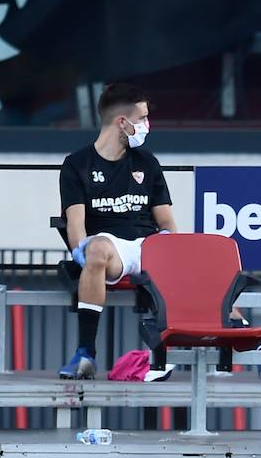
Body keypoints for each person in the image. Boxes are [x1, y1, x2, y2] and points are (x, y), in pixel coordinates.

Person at [56, 83, 174, 379]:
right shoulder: (77, 165)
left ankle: (241, 333)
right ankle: (86, 353)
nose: (147, 126)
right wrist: (82, 252)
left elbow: (168, 223)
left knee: (211, 252)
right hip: (112, 249)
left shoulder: (147, 161)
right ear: (122, 122)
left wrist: (174, 248)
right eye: (142, 119)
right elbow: (76, 229)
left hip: (150, 247)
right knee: (95, 249)